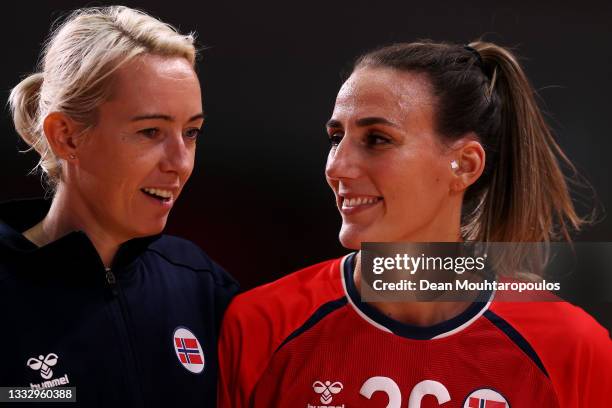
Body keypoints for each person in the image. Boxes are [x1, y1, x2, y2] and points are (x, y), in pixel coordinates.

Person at [218, 41, 612, 407]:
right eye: (337, 137)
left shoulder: (571, 348)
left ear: (465, 164)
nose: (337, 167)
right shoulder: (260, 326)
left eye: (377, 139)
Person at [0, 6, 238, 407]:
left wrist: (381, 255)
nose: (180, 162)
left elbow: (349, 297)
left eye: (191, 132)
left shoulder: (202, 285)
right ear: (67, 137)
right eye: (150, 132)